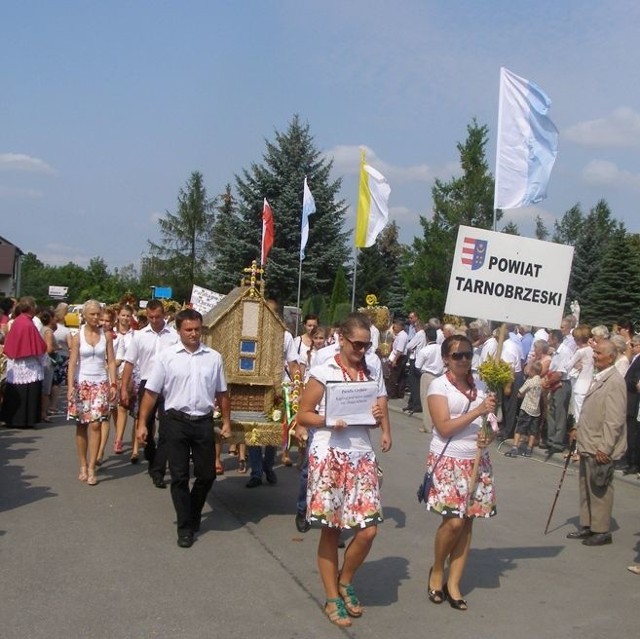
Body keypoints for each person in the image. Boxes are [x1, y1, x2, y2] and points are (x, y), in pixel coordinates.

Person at [296, 313, 392, 628]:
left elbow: (375, 413)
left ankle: (345, 579)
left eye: (367, 345)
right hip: (328, 453)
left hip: (361, 453)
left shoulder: (371, 371)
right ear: (341, 338)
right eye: (358, 344)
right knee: (331, 528)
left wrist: (379, 415)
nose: (362, 350)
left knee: (368, 529)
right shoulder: (324, 371)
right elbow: (303, 414)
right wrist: (327, 419)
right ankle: (331, 597)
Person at [137, 308, 231, 548]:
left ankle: (193, 511)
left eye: (197, 329)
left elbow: (222, 392)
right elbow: (151, 392)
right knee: (179, 476)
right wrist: (142, 424)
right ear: (178, 331)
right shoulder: (167, 357)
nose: (193, 334)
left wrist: (227, 422)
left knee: (207, 474)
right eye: (188, 330)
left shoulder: (213, 357)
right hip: (175, 422)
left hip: (202, 421)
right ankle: (185, 527)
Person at [425, 334, 497, 611]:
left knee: (467, 522)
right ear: (446, 359)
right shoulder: (438, 386)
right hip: (449, 459)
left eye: (468, 354)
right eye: (457, 355)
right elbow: (443, 426)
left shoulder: (481, 385)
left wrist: (487, 435)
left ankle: (454, 582)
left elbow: (490, 424)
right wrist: (477, 410)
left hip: (476, 460)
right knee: (453, 522)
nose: (464, 360)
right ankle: (437, 570)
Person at [566, 339, 626, 546]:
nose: (595, 356)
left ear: (611, 357)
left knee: (600, 488)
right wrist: (578, 428)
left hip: (600, 445)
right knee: (586, 486)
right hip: (588, 441)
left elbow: (614, 420)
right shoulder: (599, 377)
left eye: (599, 353)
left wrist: (605, 447)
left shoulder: (615, 382)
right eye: (595, 352)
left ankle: (601, 530)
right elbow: (591, 408)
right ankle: (588, 524)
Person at [120, 299, 178, 488]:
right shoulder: (139, 336)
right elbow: (129, 363)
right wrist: (124, 388)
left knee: (167, 428)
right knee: (145, 423)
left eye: (158, 317)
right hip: (147, 383)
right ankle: (152, 457)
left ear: (164, 315)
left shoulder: (173, 335)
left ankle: (158, 471)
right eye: (151, 317)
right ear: (147, 315)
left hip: (168, 385)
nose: (154, 320)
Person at [67, 300, 117, 486]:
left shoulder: (107, 335)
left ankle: (91, 467)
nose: (96, 318)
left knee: (96, 425)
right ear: (85, 316)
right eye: (93, 314)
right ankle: (82, 464)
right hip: (82, 384)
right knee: (81, 425)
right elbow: (72, 363)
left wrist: (113, 384)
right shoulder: (77, 336)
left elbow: (111, 361)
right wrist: (71, 386)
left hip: (101, 384)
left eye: (98, 314)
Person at [0, 297, 47, 428]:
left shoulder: (17, 321)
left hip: (16, 363)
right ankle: (27, 420)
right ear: (31, 308)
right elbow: (38, 346)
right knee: (29, 392)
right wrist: (42, 360)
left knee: (15, 392)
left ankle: (12, 419)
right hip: (29, 363)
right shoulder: (28, 323)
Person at [504, 361, 543, 458]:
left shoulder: (530, 381)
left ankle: (515, 448)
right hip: (536, 410)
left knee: (519, 428)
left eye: (529, 369)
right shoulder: (540, 382)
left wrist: (520, 396)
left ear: (533, 371)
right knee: (532, 430)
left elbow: (520, 392)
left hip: (526, 408)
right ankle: (529, 449)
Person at [415, 326, 443, 432]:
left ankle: (428, 426)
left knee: (426, 402)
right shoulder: (441, 349)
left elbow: (417, 365)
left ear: (427, 338)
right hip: (439, 376)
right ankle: (436, 424)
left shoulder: (425, 350)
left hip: (427, 375)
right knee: (437, 402)